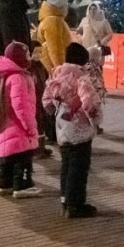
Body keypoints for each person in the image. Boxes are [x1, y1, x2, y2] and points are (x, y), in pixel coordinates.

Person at [43, 43, 102, 218]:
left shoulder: (57, 75)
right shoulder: (82, 79)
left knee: (66, 164)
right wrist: (95, 122)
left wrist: (55, 112)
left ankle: (65, 198)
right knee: (79, 166)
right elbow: (90, 103)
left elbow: (46, 100)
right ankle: (76, 204)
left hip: (62, 125)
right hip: (79, 128)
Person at [0, 0, 35, 175]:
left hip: (0, 68)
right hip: (9, 70)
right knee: (11, 113)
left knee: (6, 113)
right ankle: (3, 160)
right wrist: (25, 61)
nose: (33, 0)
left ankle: (4, 160)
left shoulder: (5, 7)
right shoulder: (11, 10)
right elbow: (14, 44)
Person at [0, 42, 40, 198]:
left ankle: (5, 185)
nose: (30, 58)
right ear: (20, 58)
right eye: (27, 55)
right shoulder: (18, 77)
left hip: (6, 126)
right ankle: (22, 186)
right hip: (19, 128)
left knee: (7, 159)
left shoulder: (7, 75)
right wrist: (30, 127)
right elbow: (21, 107)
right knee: (22, 159)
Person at [36, 0, 73, 73]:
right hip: (53, 68)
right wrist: (60, 69)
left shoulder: (50, 19)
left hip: (48, 65)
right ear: (60, 5)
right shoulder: (54, 21)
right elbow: (55, 48)